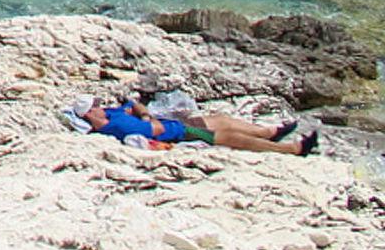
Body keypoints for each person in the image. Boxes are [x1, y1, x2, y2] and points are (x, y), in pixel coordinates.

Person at [72, 94, 317, 156]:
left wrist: (145, 114)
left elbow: (133, 104)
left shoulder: (111, 114)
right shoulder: (113, 128)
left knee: (220, 118)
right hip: (177, 133)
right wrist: (146, 118)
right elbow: (154, 130)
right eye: (95, 105)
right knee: (227, 134)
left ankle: (270, 133)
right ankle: (292, 149)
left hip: (170, 122)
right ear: (88, 114)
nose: (99, 105)